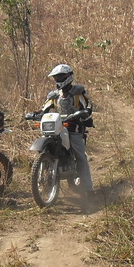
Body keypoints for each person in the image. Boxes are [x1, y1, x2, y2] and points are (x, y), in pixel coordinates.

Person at [41, 63, 94, 195]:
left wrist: (84, 113)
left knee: (80, 157)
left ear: (68, 76)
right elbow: (45, 109)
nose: (57, 80)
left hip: (73, 128)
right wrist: (35, 114)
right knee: (44, 147)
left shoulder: (78, 92)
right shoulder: (54, 95)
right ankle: (44, 178)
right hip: (57, 128)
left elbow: (87, 106)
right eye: (56, 77)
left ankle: (88, 189)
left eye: (60, 77)